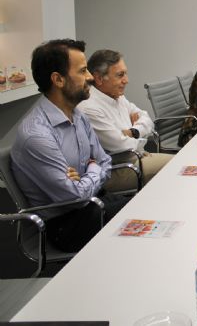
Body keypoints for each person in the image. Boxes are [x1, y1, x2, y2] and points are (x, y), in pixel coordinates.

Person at [11, 39, 133, 252]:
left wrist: (85, 175)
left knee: (143, 206)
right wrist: (93, 168)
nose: (90, 78)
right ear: (58, 79)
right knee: (136, 220)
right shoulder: (36, 135)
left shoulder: (77, 114)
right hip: (65, 225)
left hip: (92, 202)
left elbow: (104, 160)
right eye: (83, 71)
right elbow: (74, 198)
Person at [77, 49, 173, 189]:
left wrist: (132, 131)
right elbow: (121, 145)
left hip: (136, 156)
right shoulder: (89, 107)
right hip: (115, 168)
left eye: (125, 74)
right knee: (178, 166)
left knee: (180, 166)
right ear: (98, 78)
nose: (126, 80)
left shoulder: (117, 95)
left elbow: (147, 119)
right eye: (120, 75)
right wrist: (134, 134)